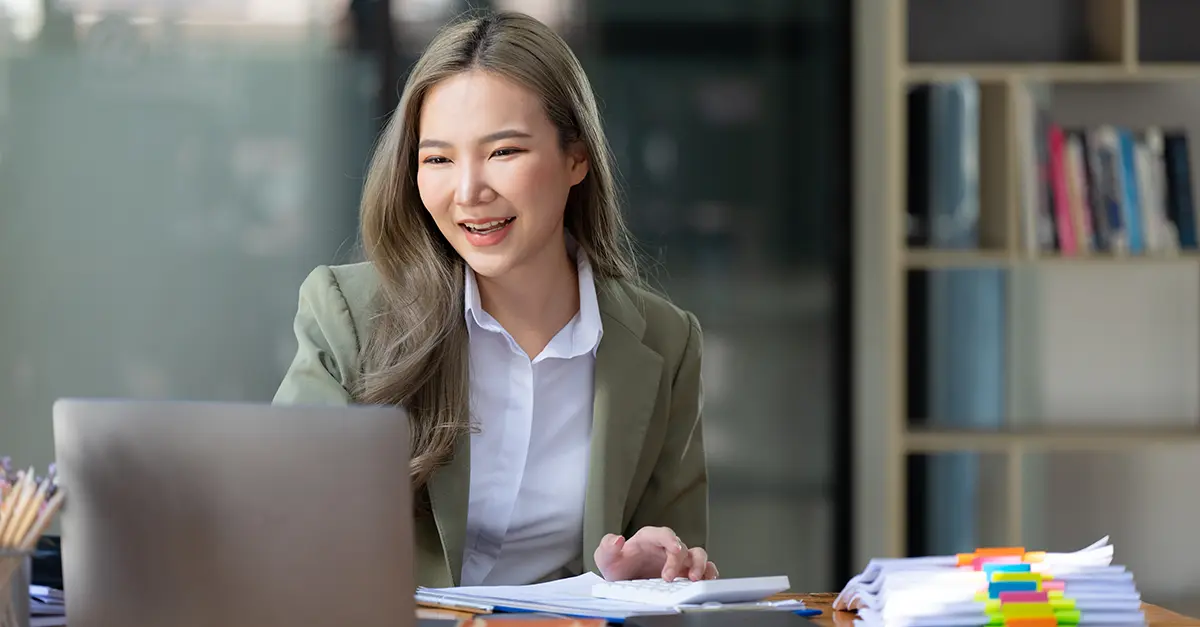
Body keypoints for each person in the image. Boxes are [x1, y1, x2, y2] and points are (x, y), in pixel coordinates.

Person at [272, 9, 716, 588]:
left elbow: (679, 578)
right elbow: (278, 532)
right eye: (437, 158)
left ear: (576, 157)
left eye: (503, 152)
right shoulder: (348, 315)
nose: (468, 191)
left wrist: (656, 573)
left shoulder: (666, 343)